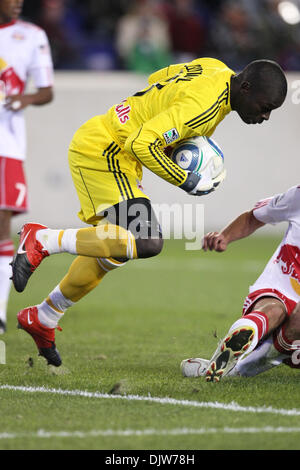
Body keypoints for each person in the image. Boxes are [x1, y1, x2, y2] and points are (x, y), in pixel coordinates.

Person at [11, 56, 287, 367]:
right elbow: (142, 144)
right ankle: (42, 239)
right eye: (265, 106)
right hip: (106, 149)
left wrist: (159, 117)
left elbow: (159, 76)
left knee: (114, 251)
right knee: (146, 241)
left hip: (112, 146)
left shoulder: (215, 67)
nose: (265, 116)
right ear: (246, 87)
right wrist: (186, 179)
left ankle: (44, 316)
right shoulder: (203, 106)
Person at [181, 184, 300, 382]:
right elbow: (253, 217)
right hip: (281, 284)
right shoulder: (296, 196)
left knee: (273, 311)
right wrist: (224, 236)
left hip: (281, 293)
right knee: (275, 311)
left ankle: (239, 360)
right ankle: (243, 359)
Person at [0, 0, 54, 334]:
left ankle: (0, 312)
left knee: (1, 224)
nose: (18, 1)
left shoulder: (32, 36)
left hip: (5, 144)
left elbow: (46, 91)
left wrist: (25, 98)